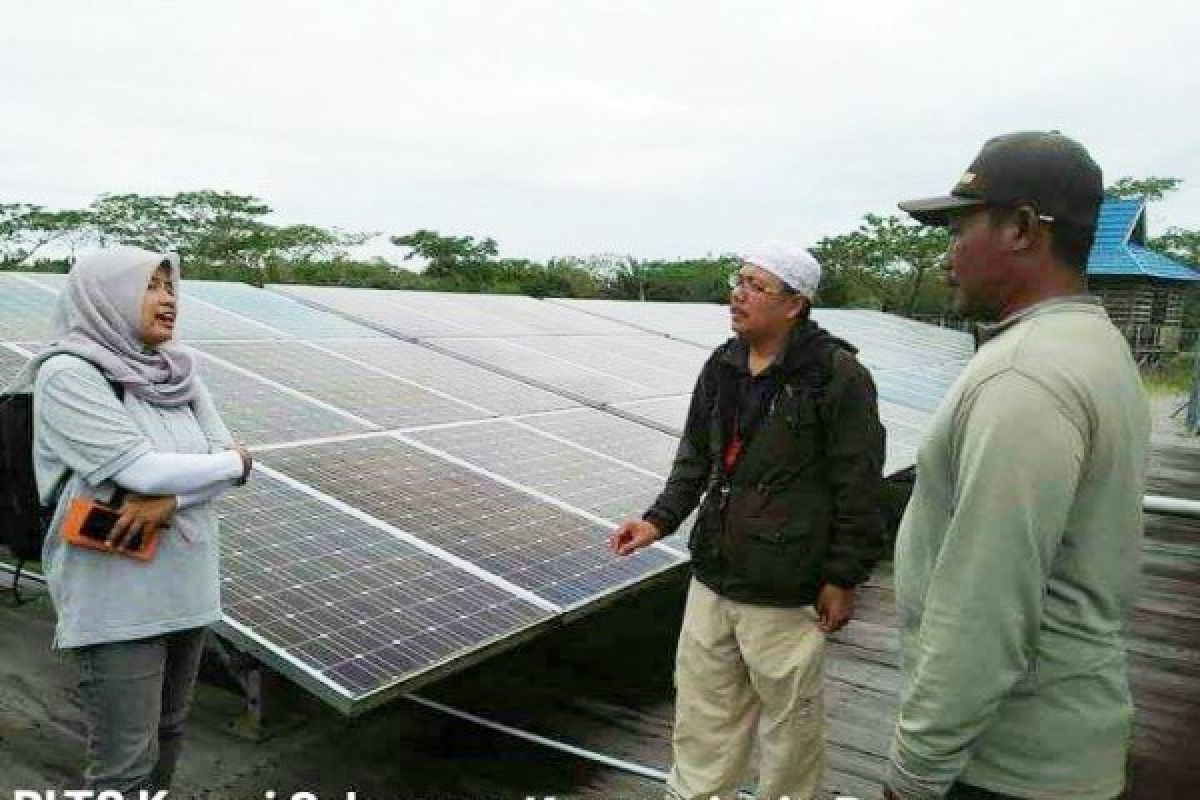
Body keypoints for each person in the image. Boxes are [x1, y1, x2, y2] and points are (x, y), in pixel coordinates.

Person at [884, 132, 1151, 800]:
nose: (948, 256)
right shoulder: (1094, 345)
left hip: (1007, 767)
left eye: (960, 228)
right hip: (1063, 743)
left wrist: (914, 773)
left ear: (1023, 229)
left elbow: (985, 602)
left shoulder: (1026, 375)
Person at [610, 243, 885, 800]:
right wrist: (658, 521)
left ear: (794, 304)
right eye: (738, 281)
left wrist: (844, 575)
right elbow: (695, 456)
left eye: (756, 286)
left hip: (786, 586)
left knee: (790, 728)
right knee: (701, 716)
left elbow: (859, 484)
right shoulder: (723, 364)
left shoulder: (835, 376)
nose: (737, 294)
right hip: (714, 572)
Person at [27, 246, 253, 792]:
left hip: (188, 583)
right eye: (149, 286)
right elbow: (142, 469)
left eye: (170, 286)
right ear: (106, 296)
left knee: (171, 731)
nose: (167, 299)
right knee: (124, 762)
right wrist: (238, 463)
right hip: (118, 598)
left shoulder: (178, 372)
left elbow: (197, 475)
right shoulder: (68, 373)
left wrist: (178, 498)